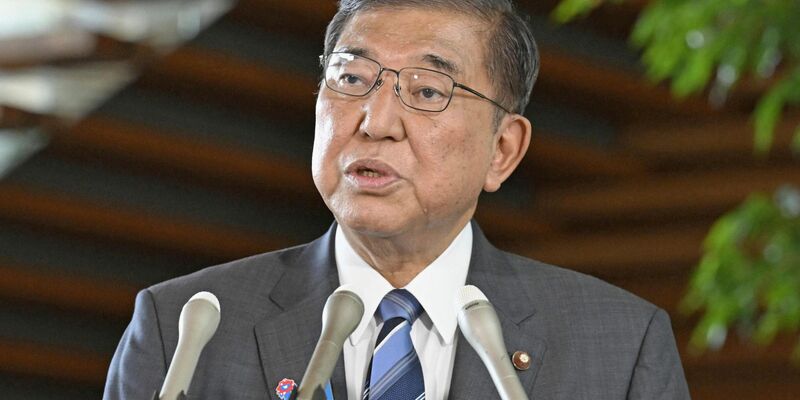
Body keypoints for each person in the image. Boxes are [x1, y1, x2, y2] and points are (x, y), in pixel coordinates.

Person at [104, 0, 691, 399]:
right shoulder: (184, 329)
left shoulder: (618, 346)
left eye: (427, 90)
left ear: (503, 151)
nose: (376, 121)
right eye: (352, 78)